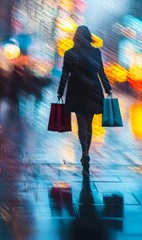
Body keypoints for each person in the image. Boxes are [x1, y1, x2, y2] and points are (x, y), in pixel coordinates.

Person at [57, 26, 112, 173]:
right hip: (93, 91)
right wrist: (107, 88)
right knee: (89, 123)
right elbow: (100, 71)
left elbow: (65, 74)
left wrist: (60, 91)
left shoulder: (70, 53)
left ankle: (84, 152)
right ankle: (86, 152)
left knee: (82, 123)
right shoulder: (95, 52)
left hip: (76, 91)